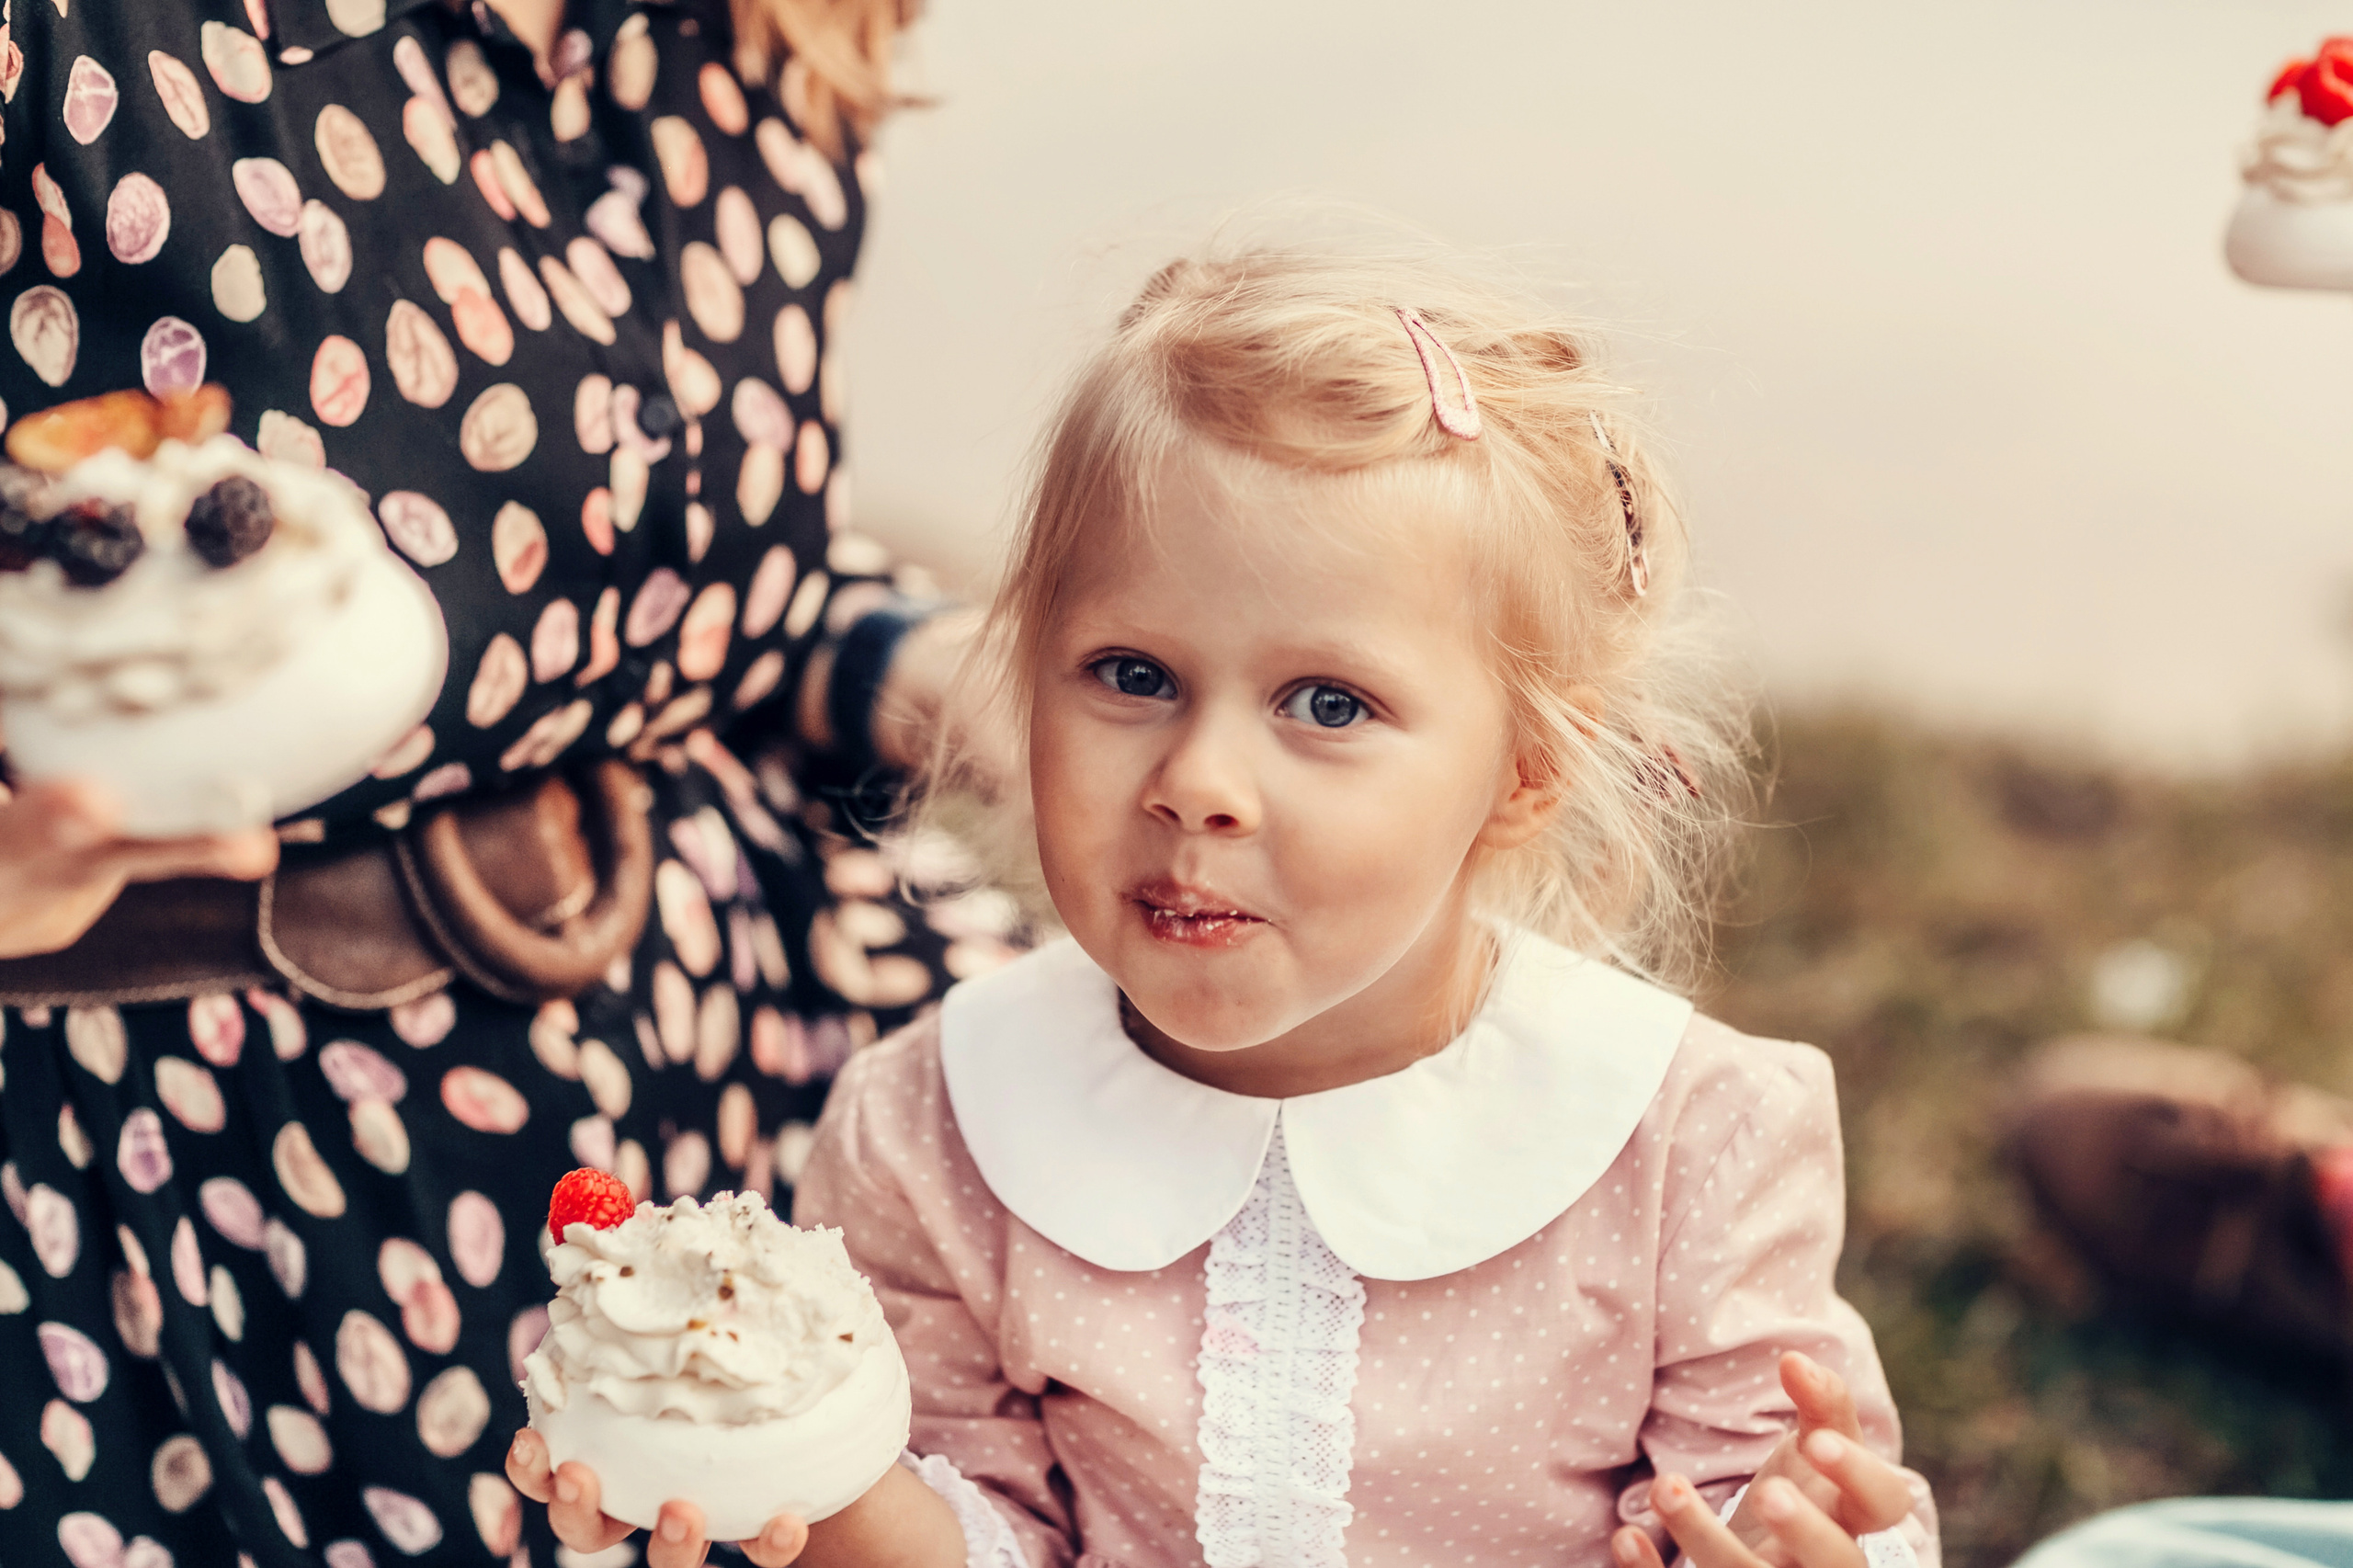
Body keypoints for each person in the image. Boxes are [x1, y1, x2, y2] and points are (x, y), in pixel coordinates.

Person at [511, 246, 1947, 1567]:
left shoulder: (1685, 1140)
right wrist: (792, 1468)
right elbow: (979, 1529)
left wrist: (1807, 1536)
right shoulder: (933, 1129)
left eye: (1328, 703)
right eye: (1132, 675)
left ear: (1523, 774)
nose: (1198, 783)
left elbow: (1772, 1499)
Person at [0, 0, 1014, 1564]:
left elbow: (621, 579)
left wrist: (930, 670)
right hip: (178, 1219)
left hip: (732, 1108)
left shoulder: (775, 26)